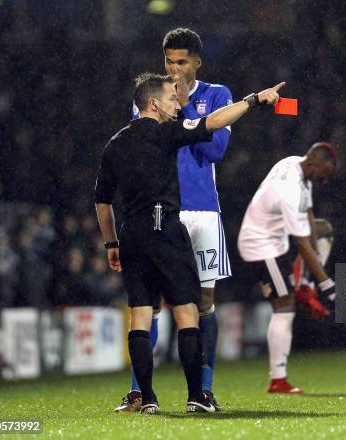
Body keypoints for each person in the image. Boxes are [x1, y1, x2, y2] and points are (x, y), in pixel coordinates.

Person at [95, 72, 284, 413]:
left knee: (140, 315)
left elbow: (102, 201)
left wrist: (111, 244)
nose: (175, 105)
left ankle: (147, 399)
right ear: (153, 103)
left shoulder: (115, 144)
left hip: (131, 236)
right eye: (170, 99)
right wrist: (253, 100)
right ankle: (197, 395)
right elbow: (211, 122)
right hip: (165, 228)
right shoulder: (166, 133)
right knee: (186, 313)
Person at [117, 27, 232, 413]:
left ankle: (204, 390)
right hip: (157, 211)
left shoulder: (217, 96)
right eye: (169, 61)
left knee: (202, 303)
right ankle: (139, 392)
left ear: (197, 62)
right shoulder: (150, 98)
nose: (174, 68)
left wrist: (184, 109)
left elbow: (215, 151)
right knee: (147, 305)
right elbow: (140, 146)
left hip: (201, 211)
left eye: (182, 61)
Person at [237, 142, 338, 394]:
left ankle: (305, 285)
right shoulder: (289, 190)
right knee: (284, 306)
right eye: (323, 176)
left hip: (276, 241)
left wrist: (314, 277)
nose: (323, 181)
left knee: (323, 228)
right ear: (314, 163)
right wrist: (328, 286)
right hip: (260, 245)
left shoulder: (297, 165)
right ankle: (278, 379)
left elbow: (309, 216)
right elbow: (301, 242)